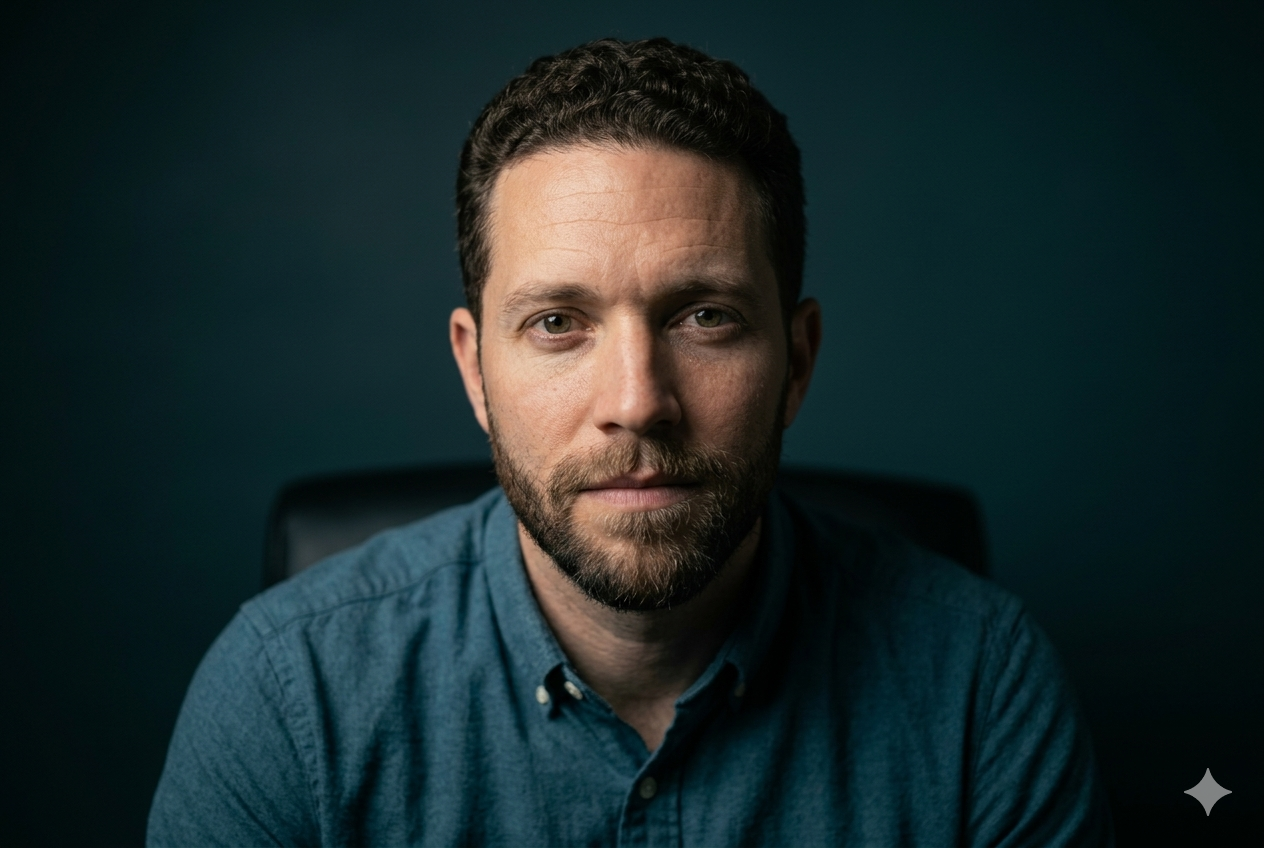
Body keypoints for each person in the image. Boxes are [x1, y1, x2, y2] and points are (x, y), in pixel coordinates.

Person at [148, 37, 1112, 846]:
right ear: (475, 371)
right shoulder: (286, 694)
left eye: (704, 316)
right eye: (559, 323)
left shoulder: (983, 685)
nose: (639, 403)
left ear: (800, 361)